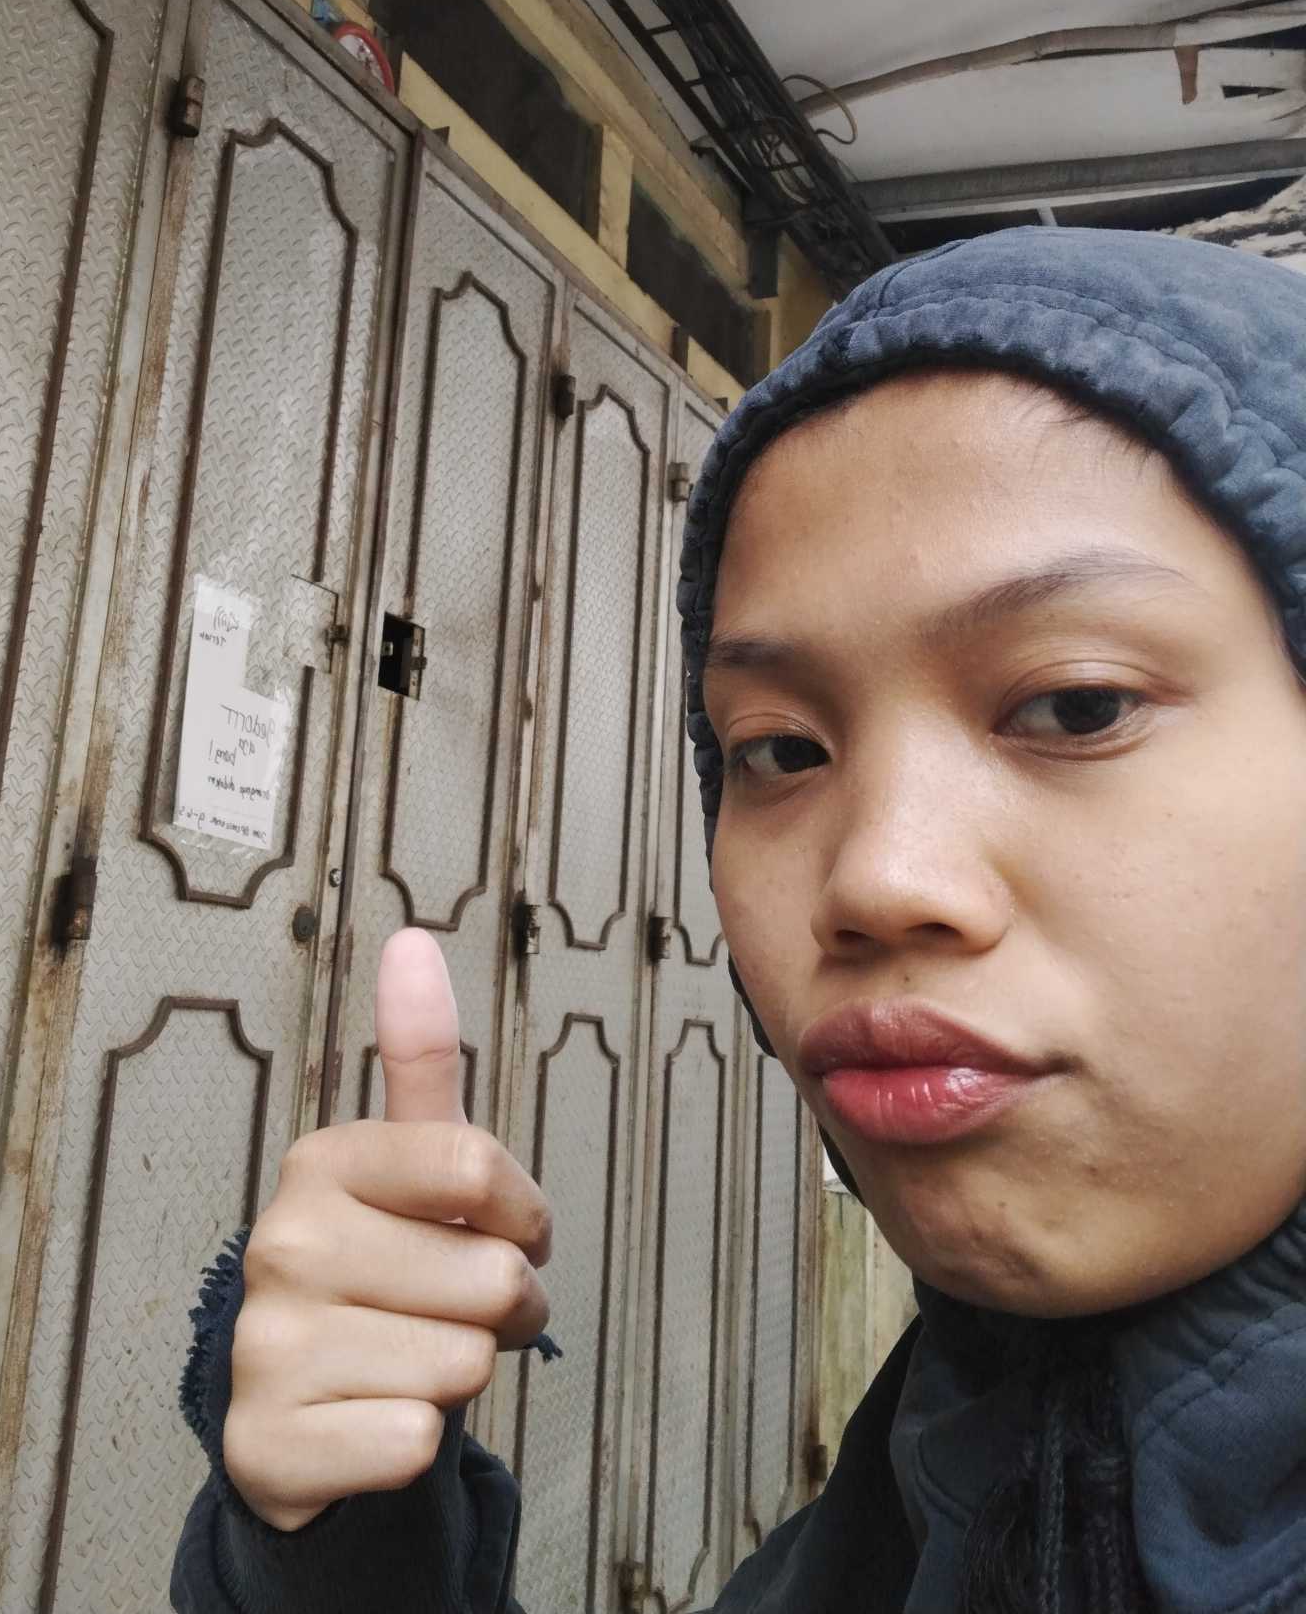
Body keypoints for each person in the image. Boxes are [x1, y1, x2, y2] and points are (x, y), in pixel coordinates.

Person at [170, 226, 1306, 1614]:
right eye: (778, 749)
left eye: (1076, 705)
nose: (874, 879)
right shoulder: (918, 1505)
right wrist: (342, 1561)